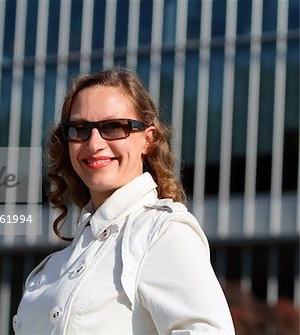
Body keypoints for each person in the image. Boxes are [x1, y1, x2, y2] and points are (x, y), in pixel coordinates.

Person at [13, 67, 235, 334]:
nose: (93, 143)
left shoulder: (161, 233)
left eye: (113, 127)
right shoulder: (56, 265)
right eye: (80, 129)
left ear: (148, 140)